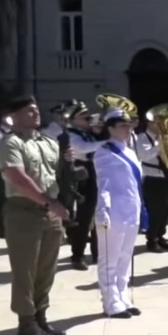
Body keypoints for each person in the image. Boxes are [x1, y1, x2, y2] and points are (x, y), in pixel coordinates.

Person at [0, 95, 75, 335]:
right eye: (29, 111)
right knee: (25, 271)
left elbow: (56, 174)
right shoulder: (9, 143)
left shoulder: (48, 142)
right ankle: (26, 323)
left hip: (50, 210)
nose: (36, 114)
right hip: (24, 211)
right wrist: (50, 203)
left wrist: (68, 162)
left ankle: (41, 316)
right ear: (14, 117)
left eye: (36, 110)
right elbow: (17, 177)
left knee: (46, 269)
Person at [94, 109, 143, 318]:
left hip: (131, 210)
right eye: (122, 125)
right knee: (110, 259)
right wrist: (102, 209)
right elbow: (103, 183)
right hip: (113, 211)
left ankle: (123, 296)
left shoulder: (131, 151)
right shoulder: (104, 152)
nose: (128, 128)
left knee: (125, 257)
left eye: (129, 125)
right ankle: (110, 302)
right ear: (111, 128)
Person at [64, 101, 105, 270]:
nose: (88, 119)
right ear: (73, 120)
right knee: (84, 218)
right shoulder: (71, 135)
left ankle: (98, 253)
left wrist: (101, 133)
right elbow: (83, 148)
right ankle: (77, 256)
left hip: (96, 174)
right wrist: (106, 141)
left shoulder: (87, 133)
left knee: (99, 216)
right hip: (84, 177)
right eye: (84, 117)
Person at [136, 113, 168, 253]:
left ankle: (160, 236)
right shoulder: (143, 137)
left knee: (164, 211)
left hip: (167, 176)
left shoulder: (164, 138)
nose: (162, 126)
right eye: (158, 123)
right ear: (150, 124)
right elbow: (143, 155)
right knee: (155, 211)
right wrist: (161, 145)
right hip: (154, 178)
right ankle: (151, 239)